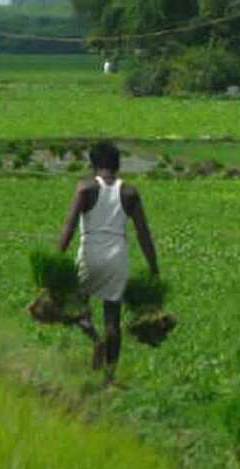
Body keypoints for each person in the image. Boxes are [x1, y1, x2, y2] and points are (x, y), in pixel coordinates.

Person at [58, 141, 159, 383]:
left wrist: (57, 259)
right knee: (112, 317)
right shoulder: (129, 193)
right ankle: (110, 377)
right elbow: (143, 234)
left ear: (93, 164)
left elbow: (69, 226)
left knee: (74, 306)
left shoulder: (85, 189)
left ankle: (95, 338)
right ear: (117, 164)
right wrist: (154, 267)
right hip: (117, 257)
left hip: (90, 253)